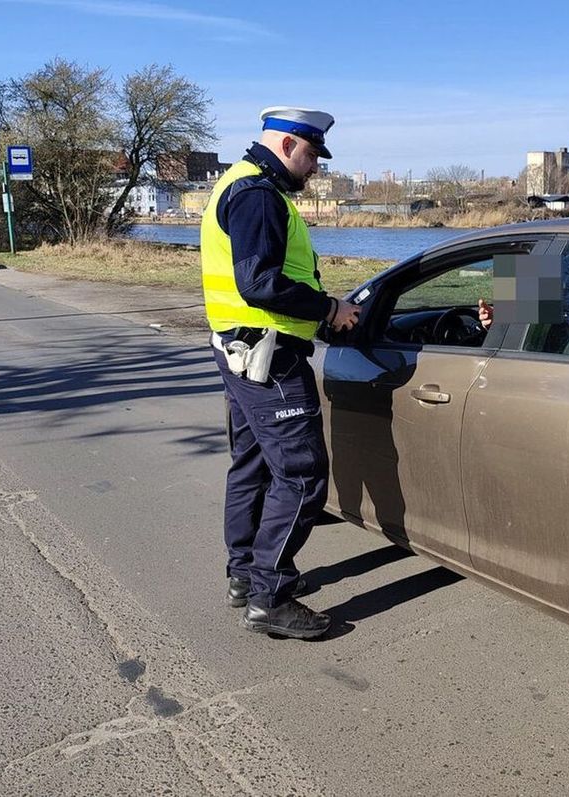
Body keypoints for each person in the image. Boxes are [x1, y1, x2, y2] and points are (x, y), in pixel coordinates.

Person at [201, 106, 360, 640]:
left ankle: (245, 576)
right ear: (289, 145)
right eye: (313, 154)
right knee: (301, 473)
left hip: (239, 353)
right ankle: (271, 596)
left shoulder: (238, 182)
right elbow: (260, 283)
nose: (315, 167)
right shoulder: (258, 196)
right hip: (269, 359)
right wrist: (328, 309)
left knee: (252, 465)